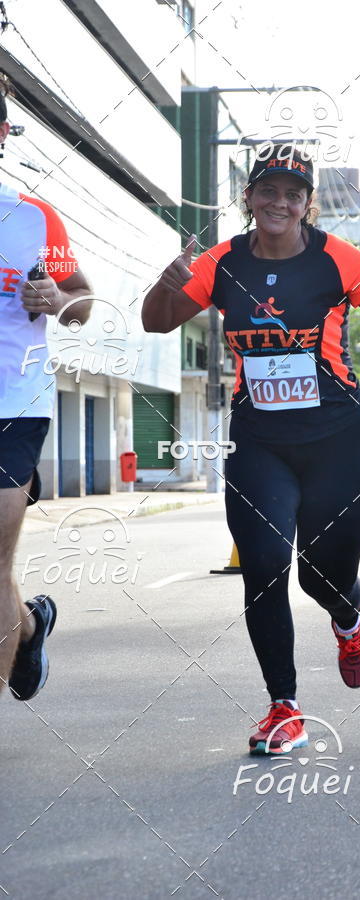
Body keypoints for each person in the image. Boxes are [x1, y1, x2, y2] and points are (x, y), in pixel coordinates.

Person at [142, 143, 360, 753]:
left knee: (321, 577)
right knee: (265, 567)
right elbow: (156, 322)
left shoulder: (337, 259)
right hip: (259, 440)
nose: (279, 201)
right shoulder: (220, 262)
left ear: (307, 204)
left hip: (342, 438)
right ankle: (283, 708)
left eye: (292, 193)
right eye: (267, 190)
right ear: (249, 198)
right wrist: (164, 284)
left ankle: (347, 619)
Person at [0, 79, 93, 702]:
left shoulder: (33, 219)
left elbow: (83, 299)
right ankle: (28, 629)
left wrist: (56, 299)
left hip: (14, 408)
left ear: (3, 135)